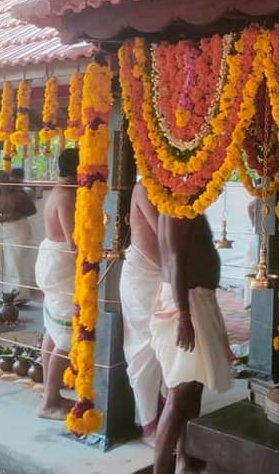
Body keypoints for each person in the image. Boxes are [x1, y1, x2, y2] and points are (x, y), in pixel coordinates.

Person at [151, 213, 233, 474]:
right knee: (179, 393)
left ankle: (184, 463)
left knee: (194, 388)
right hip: (186, 304)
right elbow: (176, 260)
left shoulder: (189, 206)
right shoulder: (177, 207)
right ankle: (161, 470)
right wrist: (184, 316)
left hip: (197, 301)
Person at [34, 148, 78, 420]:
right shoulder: (67, 195)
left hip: (50, 258)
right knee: (68, 336)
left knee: (53, 328)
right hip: (62, 263)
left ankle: (49, 393)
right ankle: (50, 402)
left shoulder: (57, 190)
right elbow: (75, 243)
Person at [119, 182, 164, 444]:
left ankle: (167, 415)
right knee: (143, 348)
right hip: (142, 275)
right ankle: (149, 424)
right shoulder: (144, 188)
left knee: (168, 345)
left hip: (166, 275)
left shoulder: (172, 188)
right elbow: (164, 230)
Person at [0, 167, 37, 299]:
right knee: (4, 261)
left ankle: (19, 294)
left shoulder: (20, 194)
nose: (2, 184)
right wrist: (5, 217)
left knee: (17, 261)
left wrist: (16, 215)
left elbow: (32, 210)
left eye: (4, 180)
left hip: (19, 228)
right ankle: (4, 292)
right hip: (4, 229)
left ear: (8, 179)